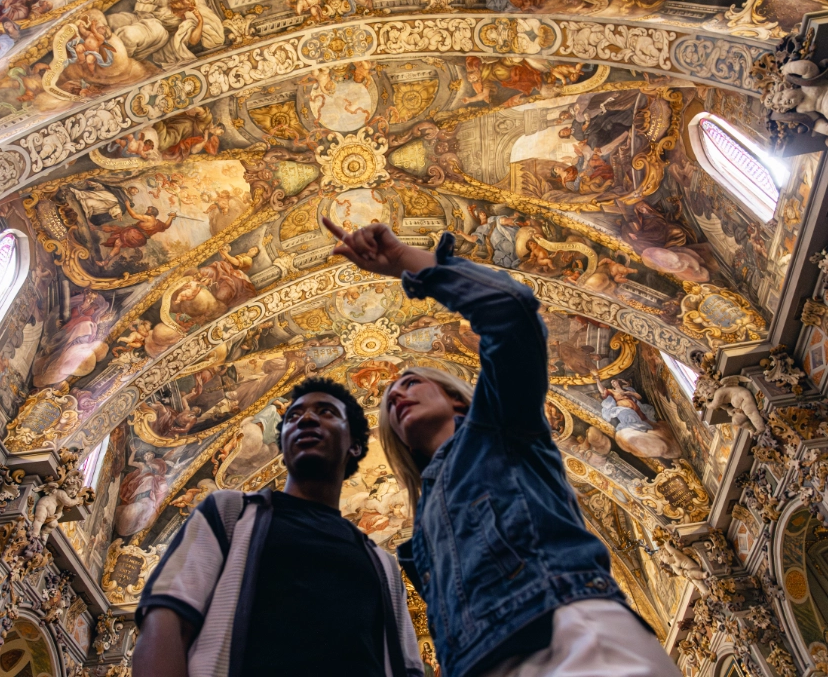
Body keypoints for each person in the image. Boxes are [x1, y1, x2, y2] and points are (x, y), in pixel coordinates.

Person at [323, 216, 681, 677]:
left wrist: (405, 262)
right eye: (389, 403)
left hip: (566, 634)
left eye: (409, 383)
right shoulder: (423, 530)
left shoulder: (502, 426)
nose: (396, 395)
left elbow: (511, 311)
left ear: (453, 395)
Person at [132, 377, 424, 677]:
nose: (307, 418)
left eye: (326, 412)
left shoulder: (384, 565)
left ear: (354, 444)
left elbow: (405, 667)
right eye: (294, 416)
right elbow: (167, 619)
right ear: (282, 442)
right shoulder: (229, 513)